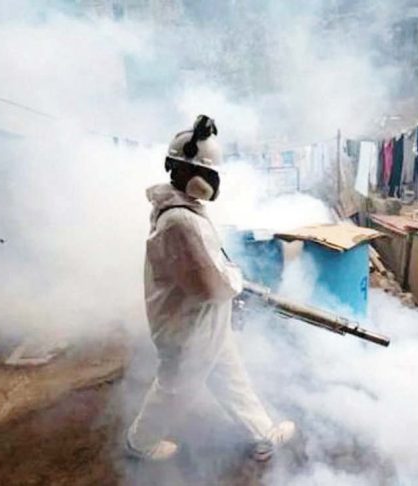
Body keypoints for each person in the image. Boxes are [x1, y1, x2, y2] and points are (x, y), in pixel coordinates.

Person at [126, 115, 295, 462]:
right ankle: (139, 443)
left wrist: (232, 287)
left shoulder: (184, 210)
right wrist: (237, 285)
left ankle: (263, 435)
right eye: (211, 173)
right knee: (174, 388)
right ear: (190, 173)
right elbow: (207, 284)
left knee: (231, 376)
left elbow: (207, 269)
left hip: (202, 321)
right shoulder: (180, 220)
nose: (215, 180)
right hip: (188, 326)